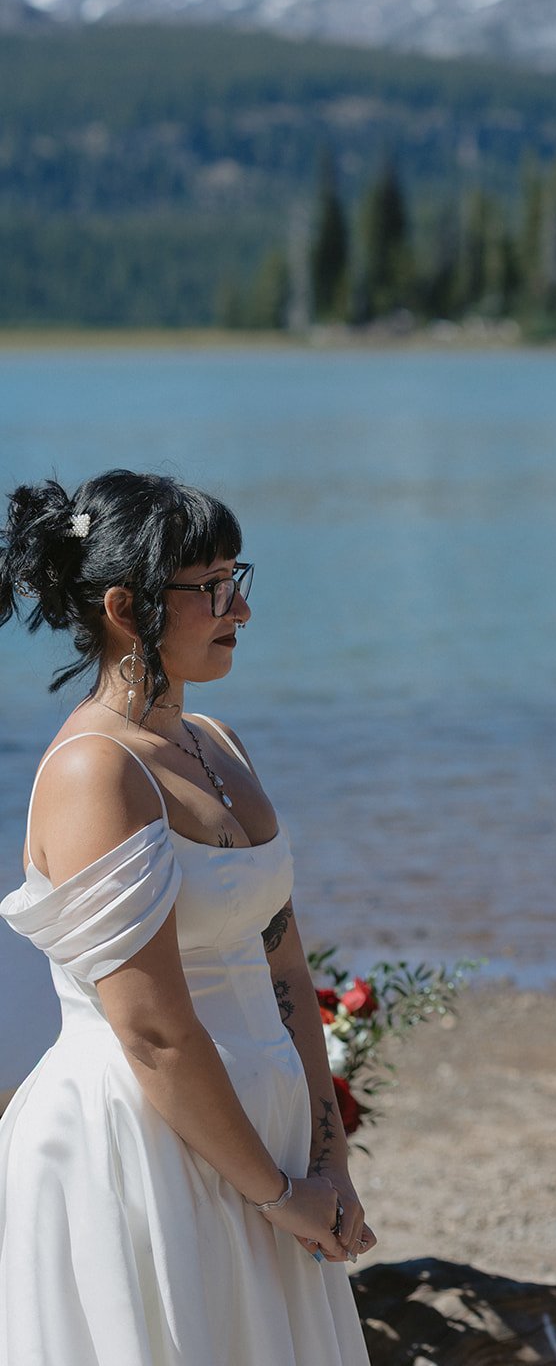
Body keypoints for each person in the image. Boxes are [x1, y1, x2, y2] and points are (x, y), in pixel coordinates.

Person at [0, 472, 375, 1366]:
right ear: (127, 607)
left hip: (267, 1130)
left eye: (236, 577)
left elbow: (285, 970)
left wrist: (327, 1163)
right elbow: (155, 1031)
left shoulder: (217, 744)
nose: (239, 607)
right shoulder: (96, 772)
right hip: (146, 1139)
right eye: (211, 587)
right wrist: (274, 1193)